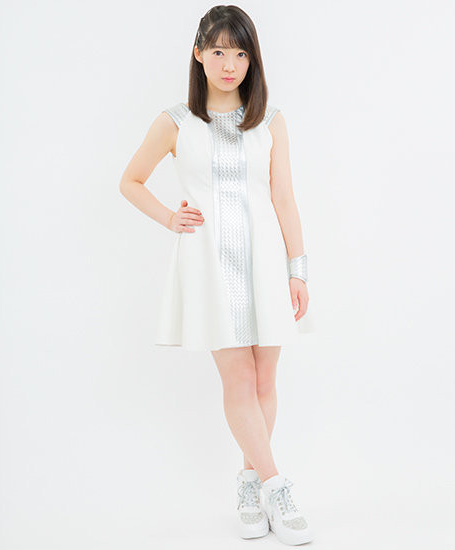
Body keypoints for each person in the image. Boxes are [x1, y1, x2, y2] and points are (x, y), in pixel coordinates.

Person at [119, 5, 313, 546]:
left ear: (253, 60)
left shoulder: (270, 121)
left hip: (265, 262)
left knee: (266, 380)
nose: (230, 64)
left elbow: (284, 198)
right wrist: (170, 219)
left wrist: (298, 270)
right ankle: (276, 485)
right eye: (220, 51)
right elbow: (130, 180)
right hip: (209, 265)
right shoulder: (176, 122)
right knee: (239, 380)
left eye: (241, 52)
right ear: (199, 53)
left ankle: (249, 484)